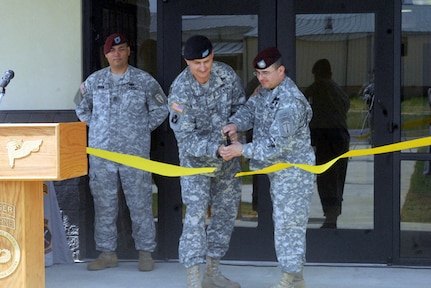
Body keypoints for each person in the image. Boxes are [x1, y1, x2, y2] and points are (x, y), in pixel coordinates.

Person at [220, 47, 315, 288]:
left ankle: (287, 279)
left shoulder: (290, 102)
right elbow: (250, 111)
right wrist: (235, 125)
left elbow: (276, 146)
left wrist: (242, 149)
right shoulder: (265, 91)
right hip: (279, 171)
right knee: (286, 223)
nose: (261, 78)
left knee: (288, 225)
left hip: (292, 172)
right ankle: (298, 279)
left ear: (281, 71)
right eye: (258, 74)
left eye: (267, 73)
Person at [75, 33, 168, 271]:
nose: (117, 54)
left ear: (128, 51)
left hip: (134, 154)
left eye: (122, 49)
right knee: (104, 205)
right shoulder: (94, 81)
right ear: (105, 55)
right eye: (112, 50)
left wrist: (140, 128)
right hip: (102, 156)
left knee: (140, 203)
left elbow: (161, 107)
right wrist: (96, 127)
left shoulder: (143, 80)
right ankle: (107, 253)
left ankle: (146, 253)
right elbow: (80, 107)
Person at [168, 35, 246, 288]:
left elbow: (240, 107)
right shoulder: (180, 90)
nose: (203, 68)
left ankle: (212, 272)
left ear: (213, 56)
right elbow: (185, 137)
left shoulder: (227, 75)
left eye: (207, 61)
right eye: (196, 63)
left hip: (228, 163)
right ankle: (193, 278)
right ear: (186, 62)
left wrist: (236, 127)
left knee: (224, 215)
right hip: (196, 164)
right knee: (195, 217)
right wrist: (215, 148)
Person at [304, 59, 350, 229]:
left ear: (318, 74)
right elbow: (346, 105)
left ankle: (330, 216)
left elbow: (299, 100)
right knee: (338, 177)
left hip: (327, 136)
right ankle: (333, 215)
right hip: (341, 136)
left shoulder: (319, 86)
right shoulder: (337, 89)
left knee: (326, 178)